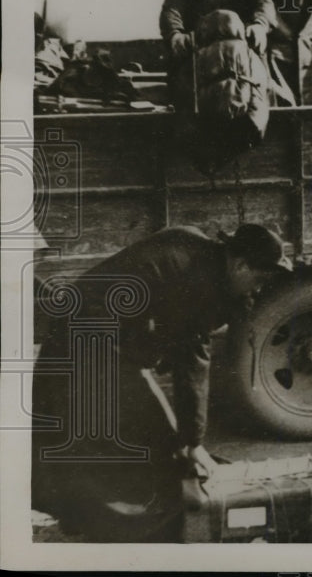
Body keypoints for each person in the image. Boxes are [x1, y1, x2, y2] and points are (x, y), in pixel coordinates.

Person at [32, 224, 292, 541]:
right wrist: (191, 442)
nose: (259, 290)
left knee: (115, 439)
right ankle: (135, 534)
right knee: (143, 438)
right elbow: (192, 362)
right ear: (240, 265)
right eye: (260, 280)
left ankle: (87, 519)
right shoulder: (199, 277)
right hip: (88, 341)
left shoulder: (204, 257)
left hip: (93, 333)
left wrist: (189, 438)